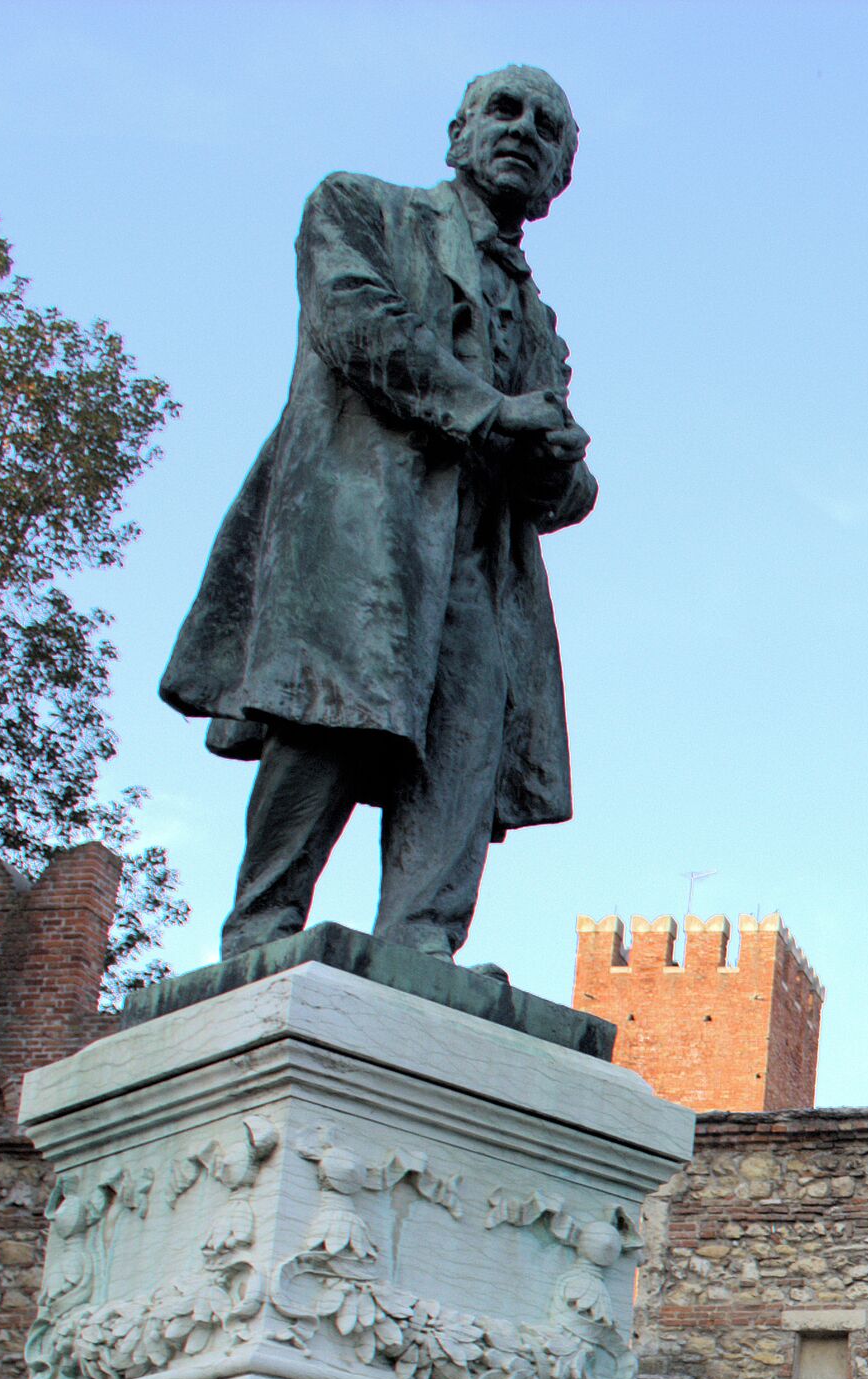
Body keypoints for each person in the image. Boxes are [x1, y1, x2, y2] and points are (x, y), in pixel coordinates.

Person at [160, 64, 598, 963]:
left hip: (482, 566)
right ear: (458, 133)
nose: (524, 130)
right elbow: (356, 325)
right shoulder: (361, 207)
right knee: (325, 714)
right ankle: (261, 928)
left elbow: (562, 481)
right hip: (362, 528)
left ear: (560, 176)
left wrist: (561, 468)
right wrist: (491, 410)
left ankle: (420, 944)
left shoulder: (539, 320)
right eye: (505, 110)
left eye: (547, 128)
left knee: (464, 744)